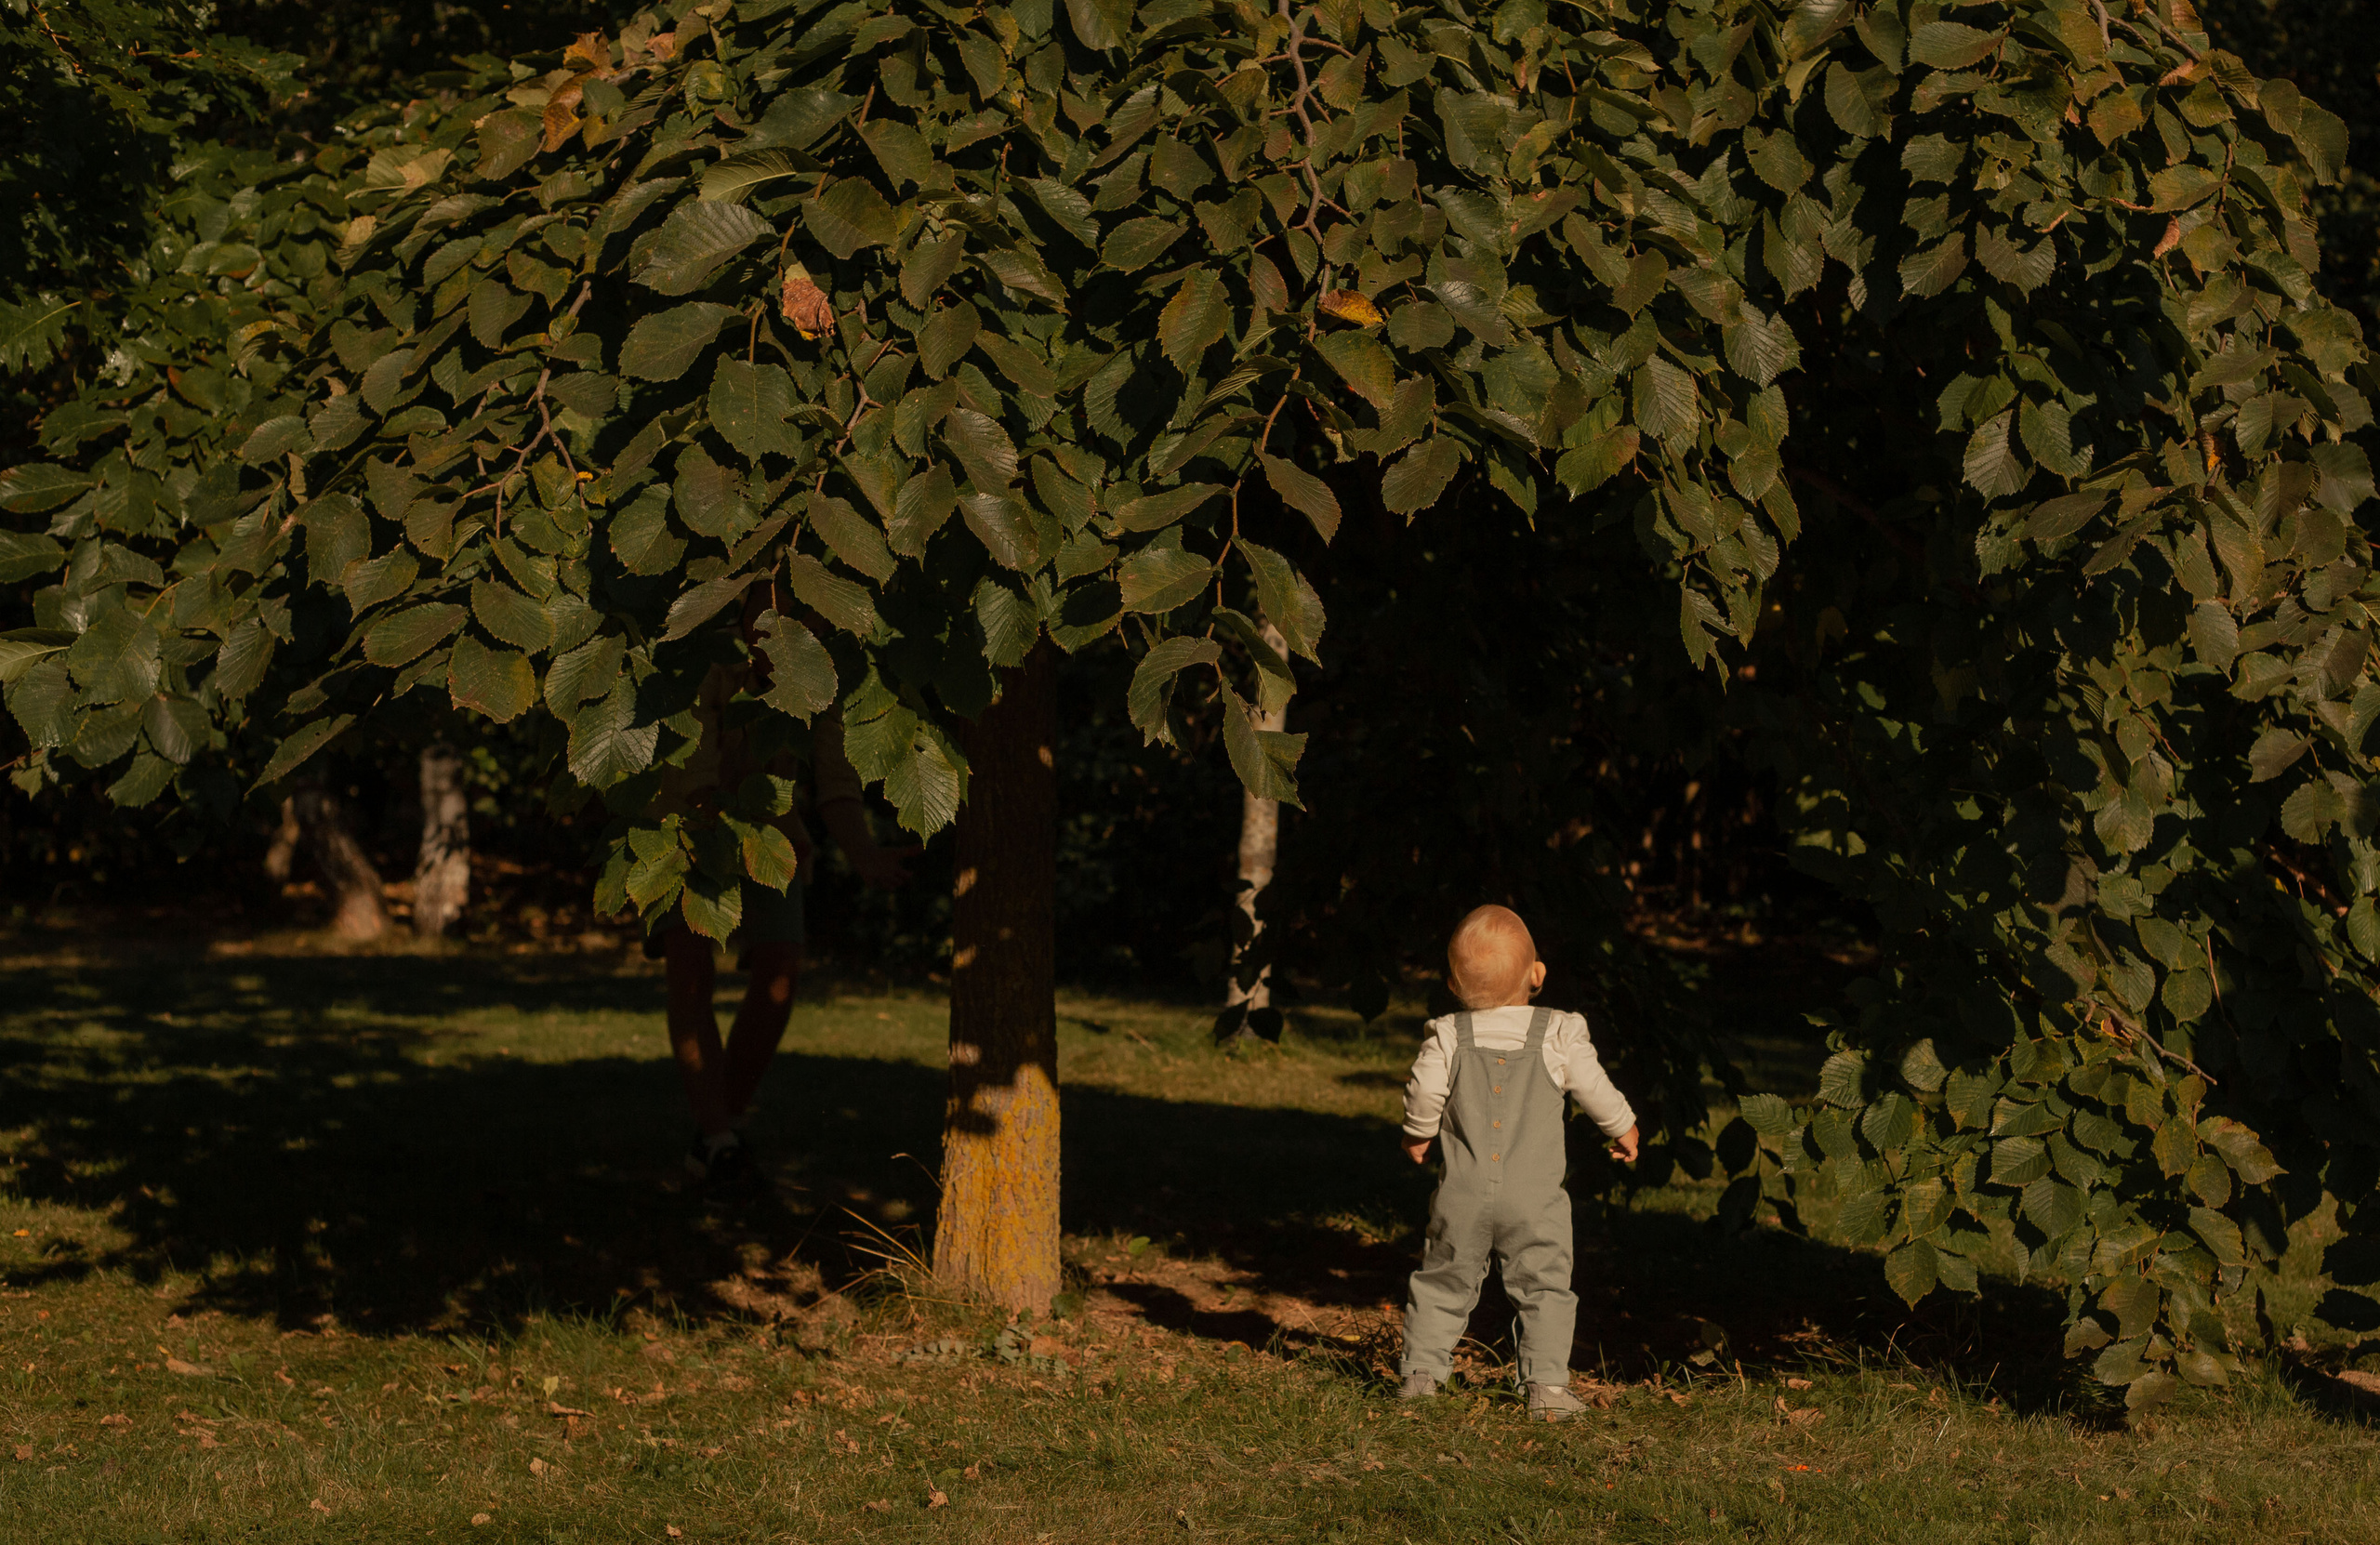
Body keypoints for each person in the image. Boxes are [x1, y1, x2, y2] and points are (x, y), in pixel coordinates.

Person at [644, 589, 914, 1193]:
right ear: (743, 618)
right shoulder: (706, 664)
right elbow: (696, 779)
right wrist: (774, 828)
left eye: (802, 616)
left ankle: (718, 1132)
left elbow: (836, 778)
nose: (783, 628)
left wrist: (864, 854)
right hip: (679, 832)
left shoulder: (817, 682)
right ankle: (719, 1139)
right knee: (690, 970)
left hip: (770, 832)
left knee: (781, 967)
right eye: (768, 614)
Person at [1395, 905, 1639, 1420]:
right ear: (1537, 975)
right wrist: (1623, 1126)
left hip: (1461, 1194)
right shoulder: (1559, 1033)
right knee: (1545, 1286)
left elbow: (1425, 1091)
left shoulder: (1448, 1035)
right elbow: (1593, 1086)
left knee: (1442, 1278)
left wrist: (1418, 1132)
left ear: (1453, 985)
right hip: (1535, 1200)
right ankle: (1547, 1389)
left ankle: (1419, 1377)